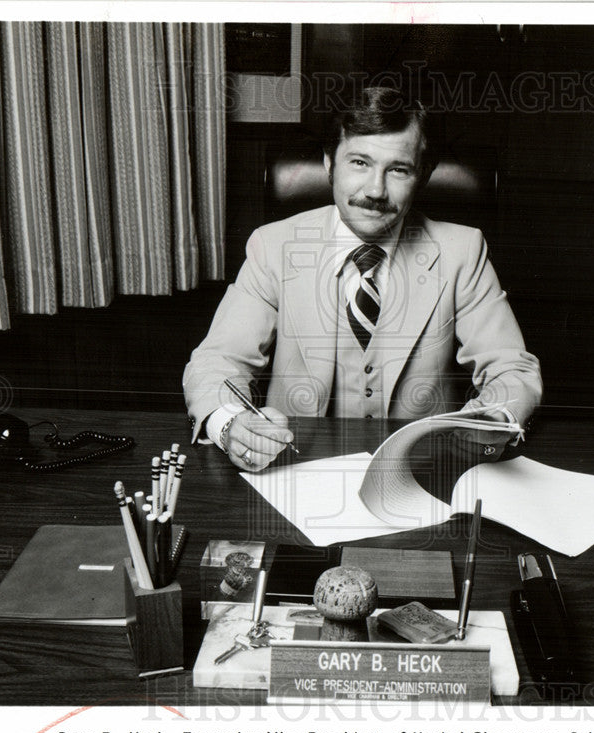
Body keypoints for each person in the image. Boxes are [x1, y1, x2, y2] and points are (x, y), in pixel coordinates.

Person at [183, 85, 542, 471]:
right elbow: (217, 361)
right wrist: (232, 424)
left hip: (419, 472)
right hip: (294, 469)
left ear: (422, 176)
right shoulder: (273, 246)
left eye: (398, 170)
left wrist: (490, 419)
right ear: (328, 163)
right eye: (359, 163)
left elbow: (512, 368)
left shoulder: (462, 251)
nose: (375, 190)